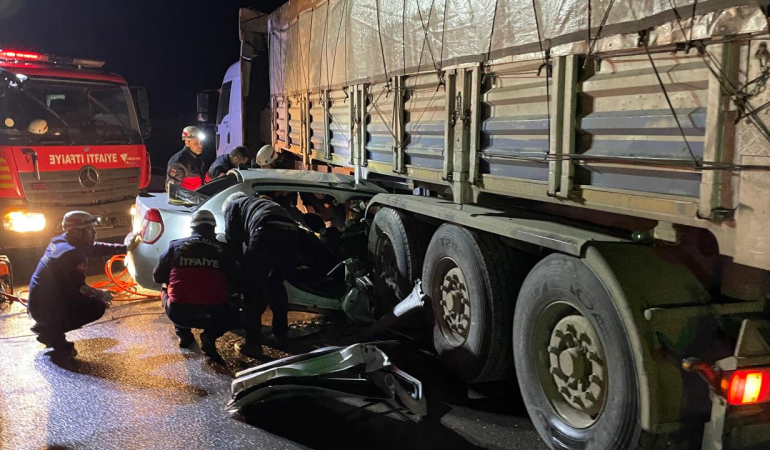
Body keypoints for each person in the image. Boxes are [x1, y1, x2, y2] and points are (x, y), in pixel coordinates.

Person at [28, 211, 140, 356]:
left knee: (83, 299)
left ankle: (45, 326)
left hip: (38, 305)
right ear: (76, 232)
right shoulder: (71, 254)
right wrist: (102, 294)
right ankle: (52, 333)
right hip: (45, 309)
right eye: (89, 229)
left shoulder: (62, 240)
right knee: (96, 306)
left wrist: (125, 248)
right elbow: (79, 289)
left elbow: (96, 247)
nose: (94, 232)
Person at [152, 210, 239, 362]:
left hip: (179, 313)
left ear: (192, 228)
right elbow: (237, 280)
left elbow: (157, 277)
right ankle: (210, 335)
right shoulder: (223, 250)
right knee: (235, 306)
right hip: (215, 315)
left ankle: (183, 334)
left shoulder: (175, 246)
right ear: (213, 229)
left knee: (166, 286)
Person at [222, 191, 299, 358]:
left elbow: (232, 239)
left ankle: (253, 344)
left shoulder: (232, 205)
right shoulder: (258, 203)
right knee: (276, 284)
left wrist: (242, 269)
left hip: (266, 229)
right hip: (292, 233)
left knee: (252, 291)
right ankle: (280, 334)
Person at [166, 126, 209, 191]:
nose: (200, 145)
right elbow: (173, 190)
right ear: (187, 143)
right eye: (196, 143)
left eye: (201, 142)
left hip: (201, 198)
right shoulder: (178, 162)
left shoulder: (200, 159)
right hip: (188, 200)